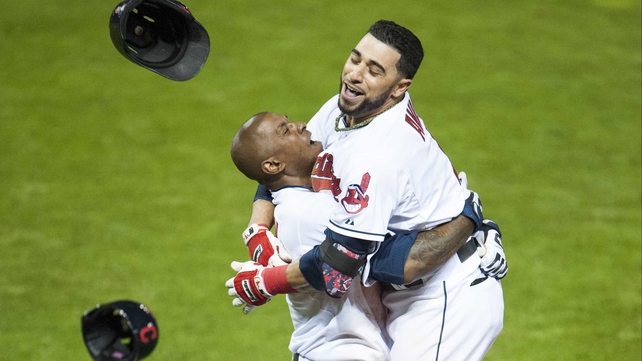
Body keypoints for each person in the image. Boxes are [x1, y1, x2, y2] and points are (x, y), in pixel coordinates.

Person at [229, 20, 506, 360]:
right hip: (400, 296)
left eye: (374, 70)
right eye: (355, 58)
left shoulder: (378, 154)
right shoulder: (345, 108)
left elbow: (342, 264)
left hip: (444, 293)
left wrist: (265, 281)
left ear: (398, 87)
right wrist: (257, 230)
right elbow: (277, 162)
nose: (354, 75)